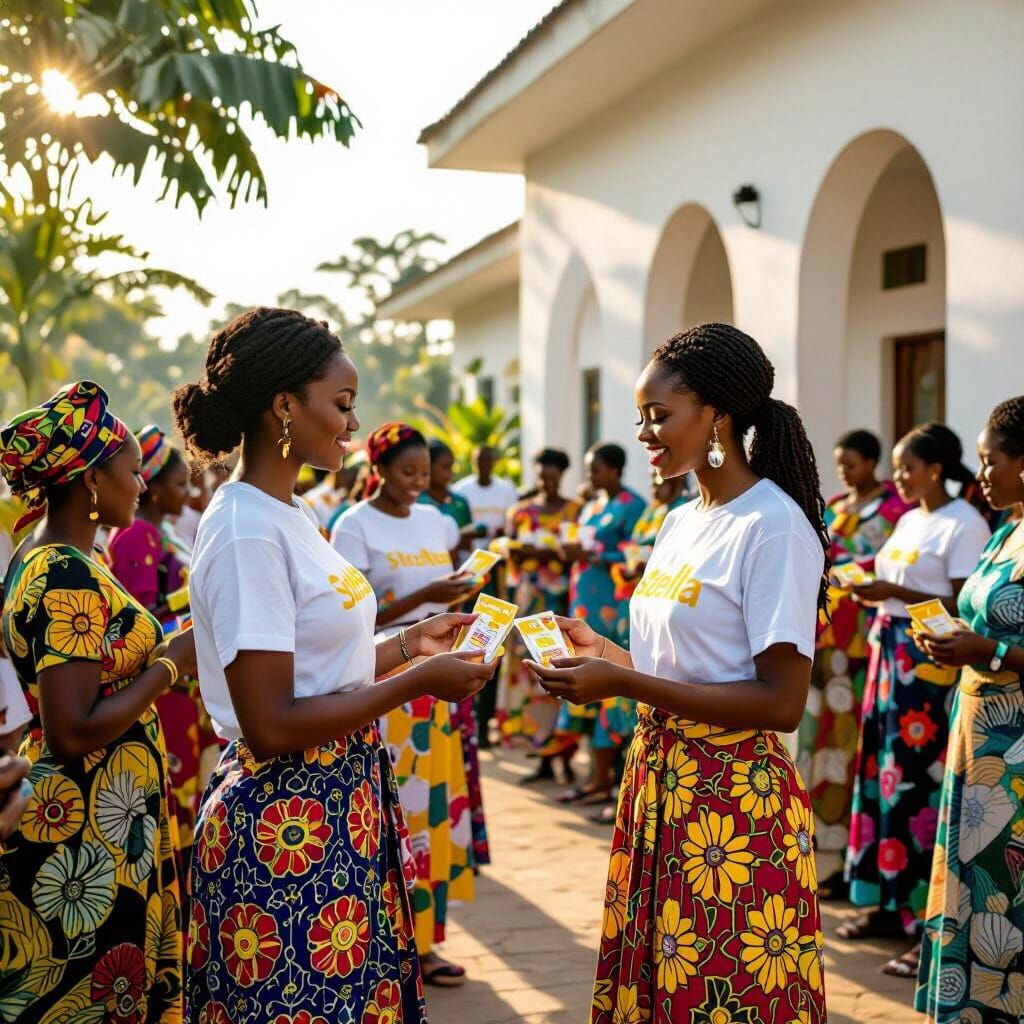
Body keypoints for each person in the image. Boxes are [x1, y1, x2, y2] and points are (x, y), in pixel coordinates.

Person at [175, 309, 495, 1023]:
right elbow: (270, 723)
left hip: (340, 812)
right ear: (285, 405)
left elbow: (319, 671)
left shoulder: (291, 514)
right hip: (285, 831)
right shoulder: (246, 529)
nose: (352, 424)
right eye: (342, 405)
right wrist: (414, 683)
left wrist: (414, 645)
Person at [526, 323, 828, 1023]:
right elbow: (684, 672)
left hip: (732, 805)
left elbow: (779, 702)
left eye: (658, 417)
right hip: (659, 782)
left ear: (716, 414)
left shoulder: (773, 527)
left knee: (722, 993)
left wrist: (625, 686)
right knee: (660, 991)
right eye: (641, 419)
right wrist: (606, 655)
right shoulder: (680, 523)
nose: (645, 435)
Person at [0, 380, 192, 1020]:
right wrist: (168, 664)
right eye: (133, 471)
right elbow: (72, 731)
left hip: (103, 817)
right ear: (88, 482)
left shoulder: (55, 558)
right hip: (81, 832)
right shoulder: (64, 573)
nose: (141, 484)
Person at [332, 422, 484, 986]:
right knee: (392, 813)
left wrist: (459, 596)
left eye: (426, 473)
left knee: (431, 815)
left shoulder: (435, 519)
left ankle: (425, 943)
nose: (419, 484)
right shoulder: (353, 526)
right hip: (385, 680)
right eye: (407, 473)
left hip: (435, 681)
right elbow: (348, 620)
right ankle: (381, 946)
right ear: (379, 469)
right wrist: (422, 598)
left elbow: (447, 588)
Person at [840, 422, 990, 977]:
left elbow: (961, 598)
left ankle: (919, 916)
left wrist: (895, 593)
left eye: (907, 467)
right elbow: (892, 578)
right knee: (880, 775)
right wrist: (869, 586)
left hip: (927, 664)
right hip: (888, 655)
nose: (899, 477)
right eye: (897, 467)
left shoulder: (965, 523)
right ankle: (886, 901)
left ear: (935, 469)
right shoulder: (908, 518)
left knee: (915, 781)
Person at [913, 398, 1024, 1021]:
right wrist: (954, 636)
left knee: (1007, 893)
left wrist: (989, 648)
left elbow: (1003, 642)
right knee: (975, 886)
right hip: (975, 735)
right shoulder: (1008, 527)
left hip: (1016, 753)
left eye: (991, 461)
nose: (980, 474)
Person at [797, 429, 913, 899]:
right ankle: (821, 847)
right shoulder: (837, 505)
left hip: (862, 646)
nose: (845, 471)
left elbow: (895, 568)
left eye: (852, 463)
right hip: (822, 637)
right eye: (840, 463)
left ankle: (849, 859)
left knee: (847, 747)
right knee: (815, 741)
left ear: (872, 462)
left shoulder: (895, 510)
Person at [107, 425, 219, 856]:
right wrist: (190, 600)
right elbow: (138, 619)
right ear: (151, 489)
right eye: (176, 483)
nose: (185, 489)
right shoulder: (139, 536)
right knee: (176, 797)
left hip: (182, 681)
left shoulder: (163, 533)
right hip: (165, 684)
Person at [542, 442, 645, 807]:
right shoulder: (592, 505)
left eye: (596, 469)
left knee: (608, 689)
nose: (590, 476)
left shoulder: (633, 507)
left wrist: (595, 554)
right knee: (582, 688)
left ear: (615, 470)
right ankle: (594, 776)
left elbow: (636, 554)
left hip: (612, 608)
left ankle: (611, 779)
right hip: (583, 603)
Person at [500, 448, 581, 782]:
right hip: (527, 602)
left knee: (559, 672)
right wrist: (516, 549)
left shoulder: (574, 511)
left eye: (552, 476)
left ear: (561, 475)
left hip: (559, 604)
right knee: (531, 678)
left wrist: (548, 552)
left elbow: (578, 553)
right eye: (541, 475)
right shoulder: (519, 512)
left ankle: (564, 754)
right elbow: (504, 547)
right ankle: (541, 755)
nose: (546, 482)